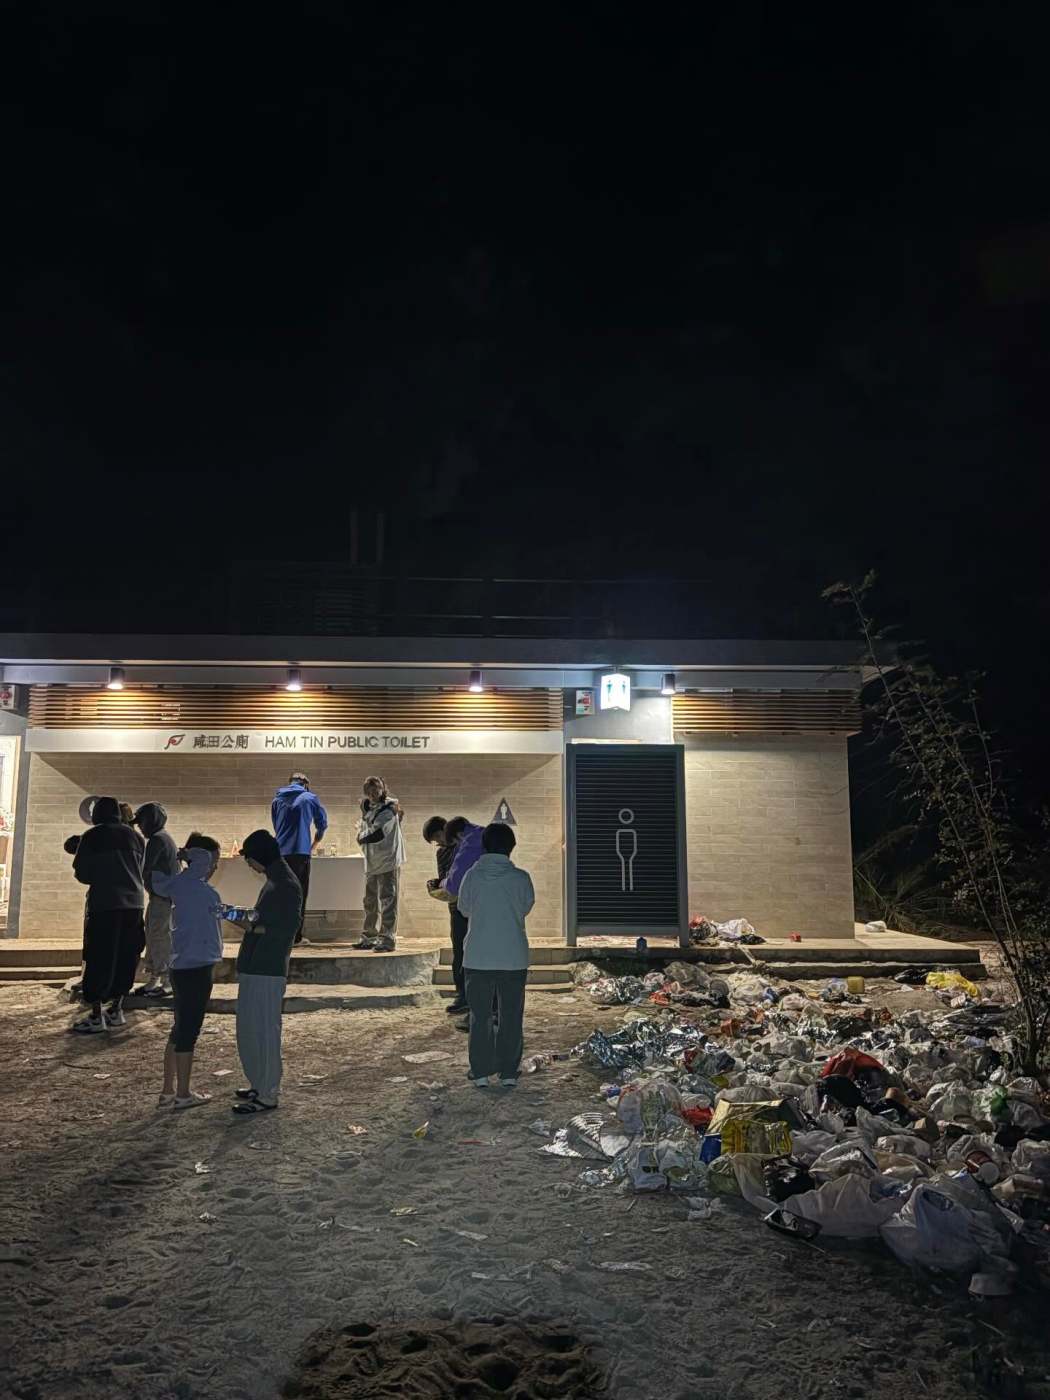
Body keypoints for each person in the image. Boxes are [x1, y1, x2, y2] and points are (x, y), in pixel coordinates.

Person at [228, 829, 302, 1114]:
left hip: (267, 966)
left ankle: (268, 1091)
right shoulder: (277, 879)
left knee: (264, 1030)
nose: (249, 865)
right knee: (250, 1027)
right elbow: (264, 918)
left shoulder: (284, 884)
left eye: (249, 859)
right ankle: (259, 1082)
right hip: (257, 964)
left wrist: (244, 922)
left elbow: (280, 928)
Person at [458, 823, 534, 1089]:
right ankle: (508, 1072)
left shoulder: (472, 876)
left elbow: (464, 909)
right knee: (511, 1015)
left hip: (477, 957)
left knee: (480, 1016)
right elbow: (525, 908)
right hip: (513, 957)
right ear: (511, 848)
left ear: (485, 846)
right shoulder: (521, 878)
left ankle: (480, 1072)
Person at [151, 833, 224, 1110]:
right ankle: (182, 1093)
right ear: (202, 860)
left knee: (179, 1028)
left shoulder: (177, 886)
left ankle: (168, 1089)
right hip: (198, 965)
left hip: (181, 965)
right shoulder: (200, 889)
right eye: (213, 861)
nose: (215, 867)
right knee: (188, 1031)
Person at [70, 796, 146, 1033]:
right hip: (134, 905)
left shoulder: (93, 836)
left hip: (105, 905)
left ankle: (95, 1015)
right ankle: (117, 1010)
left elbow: (82, 873)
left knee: (99, 957)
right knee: (127, 955)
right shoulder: (136, 837)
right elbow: (141, 868)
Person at [271, 772, 328, 945]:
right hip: (300, 852)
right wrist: (316, 840)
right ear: (306, 784)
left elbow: (276, 826)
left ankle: (279, 933)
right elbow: (322, 823)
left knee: (281, 894)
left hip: (279, 853)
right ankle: (295, 937)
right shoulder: (310, 797)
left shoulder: (276, 800)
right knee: (299, 895)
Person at [435, 815, 485, 1014]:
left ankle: (467, 999)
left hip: (467, 907)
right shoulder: (484, 833)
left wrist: (441, 884)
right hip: (490, 908)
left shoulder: (469, 843)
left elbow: (454, 883)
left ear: (456, 835)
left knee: (464, 952)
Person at [133, 802, 180, 996]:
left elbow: (146, 867)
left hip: (163, 896)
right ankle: (154, 978)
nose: (140, 827)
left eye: (141, 822)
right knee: (153, 935)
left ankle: (166, 980)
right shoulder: (162, 838)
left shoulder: (158, 840)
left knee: (160, 936)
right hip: (160, 895)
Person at [354, 776, 405, 951]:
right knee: (370, 901)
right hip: (372, 860)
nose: (373, 795)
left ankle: (387, 939)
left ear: (383, 789)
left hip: (388, 860)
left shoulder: (390, 808)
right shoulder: (367, 806)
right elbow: (364, 823)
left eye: (375, 790)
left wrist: (360, 836)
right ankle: (369, 936)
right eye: (369, 792)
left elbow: (378, 833)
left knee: (388, 900)